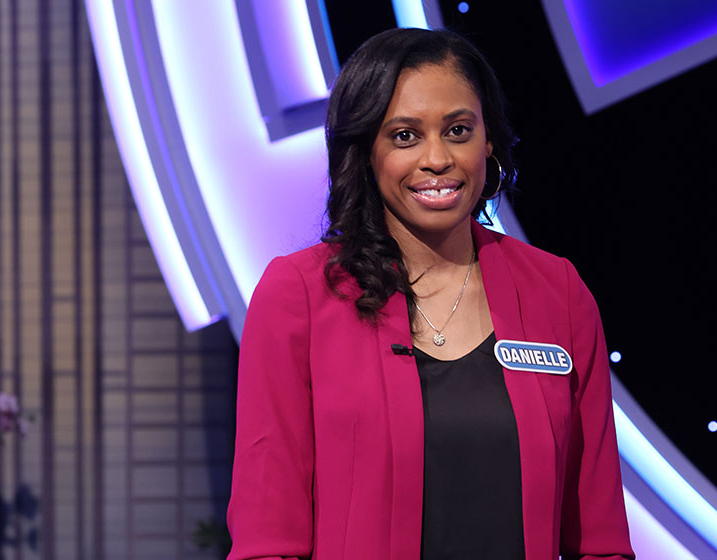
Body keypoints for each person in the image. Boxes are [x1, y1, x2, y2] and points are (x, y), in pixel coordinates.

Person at [226, 28, 634, 560]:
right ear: (365, 148)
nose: (437, 159)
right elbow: (267, 539)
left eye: (459, 130)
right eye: (405, 136)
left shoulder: (557, 291)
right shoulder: (298, 295)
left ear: (488, 140)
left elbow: (600, 541)